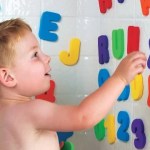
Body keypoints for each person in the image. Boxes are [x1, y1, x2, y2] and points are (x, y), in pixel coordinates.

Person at [0, 18, 146, 150]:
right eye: (35, 55)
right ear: (7, 76)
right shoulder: (31, 110)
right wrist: (119, 78)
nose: (47, 58)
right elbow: (83, 116)